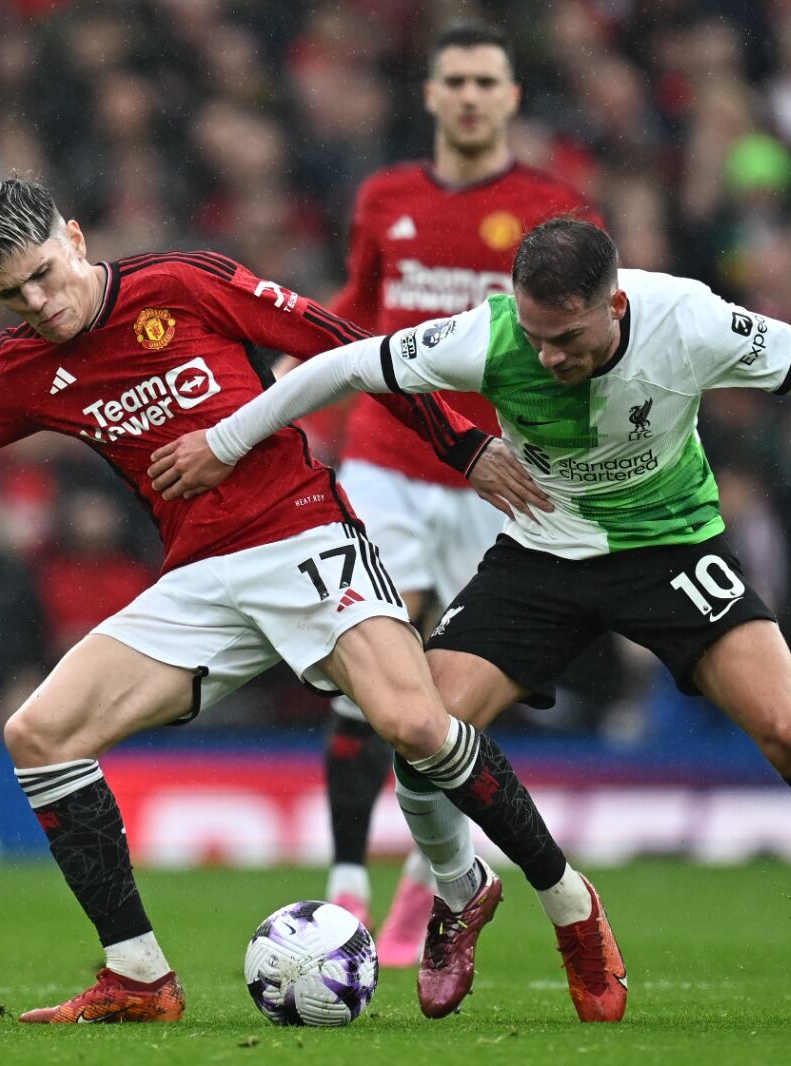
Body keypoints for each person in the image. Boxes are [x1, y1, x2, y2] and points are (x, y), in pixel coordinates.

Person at [0, 180, 624, 1025]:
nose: (35, 303)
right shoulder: (17, 370)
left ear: (74, 237)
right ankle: (138, 974)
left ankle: (567, 906)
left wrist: (458, 447)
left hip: (301, 531)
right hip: (199, 578)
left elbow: (347, 350)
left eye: (41, 276)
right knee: (40, 735)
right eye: (9, 294)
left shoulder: (183, 283)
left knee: (417, 727)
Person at [152, 218, 791, 1008]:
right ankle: (460, 893)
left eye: (566, 337)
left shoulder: (687, 322)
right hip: (543, 555)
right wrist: (227, 443)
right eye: (533, 336)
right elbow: (346, 364)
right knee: (420, 727)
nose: (546, 357)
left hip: (672, 549)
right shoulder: (488, 337)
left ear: (614, 304)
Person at [318, 20, 604, 965]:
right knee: (370, 666)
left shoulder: (554, 207)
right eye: (457, 80)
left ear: (513, 96)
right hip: (387, 463)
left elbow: (589, 338)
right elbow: (354, 320)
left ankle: (429, 875)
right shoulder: (384, 199)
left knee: (453, 686)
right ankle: (346, 883)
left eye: (489, 79)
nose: (473, 95)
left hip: (499, 473)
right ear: (433, 96)